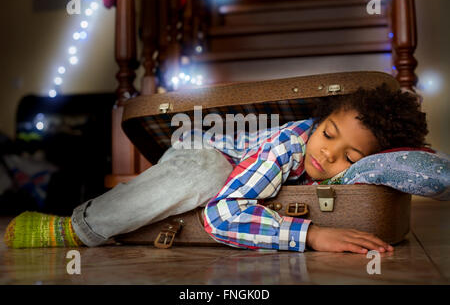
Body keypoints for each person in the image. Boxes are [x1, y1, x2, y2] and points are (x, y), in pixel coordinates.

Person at [3, 84, 428, 253]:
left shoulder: (356, 171)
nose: (329, 156)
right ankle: (76, 227)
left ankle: (130, 198)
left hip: (231, 167)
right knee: (204, 178)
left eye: (351, 159)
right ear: (318, 121)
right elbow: (220, 214)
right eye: (329, 133)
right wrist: (311, 234)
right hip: (206, 150)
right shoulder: (288, 146)